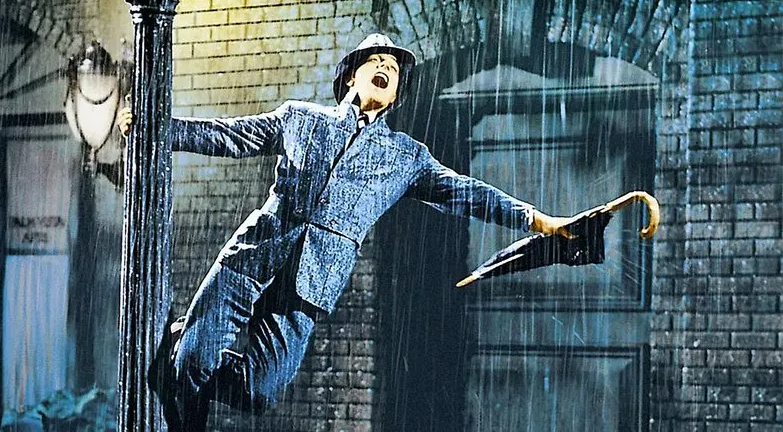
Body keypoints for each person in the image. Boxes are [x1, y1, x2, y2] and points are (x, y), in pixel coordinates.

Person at [118, 34, 576, 431]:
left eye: (393, 68)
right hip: (251, 260)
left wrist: (537, 220)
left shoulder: (406, 157)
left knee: (258, 392)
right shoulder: (300, 119)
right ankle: (186, 355)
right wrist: (156, 129)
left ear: (395, 95)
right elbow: (231, 136)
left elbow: (467, 192)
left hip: (310, 286)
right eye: (375, 61)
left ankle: (181, 349)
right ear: (351, 77)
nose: (385, 68)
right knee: (190, 365)